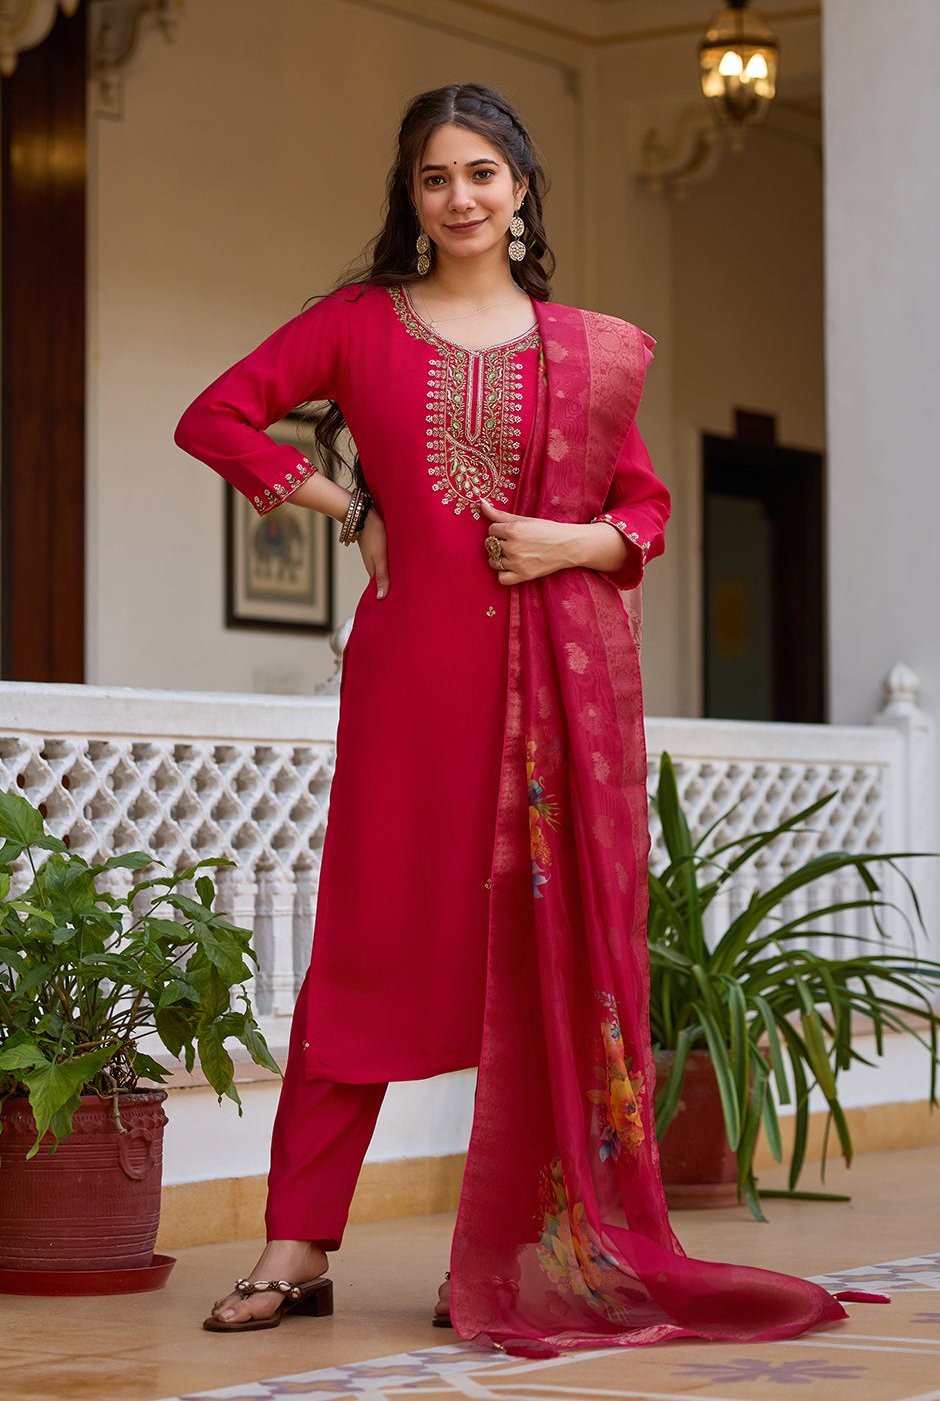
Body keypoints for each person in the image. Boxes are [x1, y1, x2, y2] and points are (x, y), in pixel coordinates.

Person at [175, 82, 847, 1353]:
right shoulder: (359, 325)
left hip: (545, 706)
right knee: (363, 952)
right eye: (436, 178)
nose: (461, 197)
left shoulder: (586, 349)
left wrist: (570, 542)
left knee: (536, 964)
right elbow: (213, 415)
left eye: (482, 173)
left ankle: (511, 1254)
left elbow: (643, 512)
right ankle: (297, 1245)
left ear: (522, 188)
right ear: (412, 200)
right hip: (411, 692)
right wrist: (346, 508)